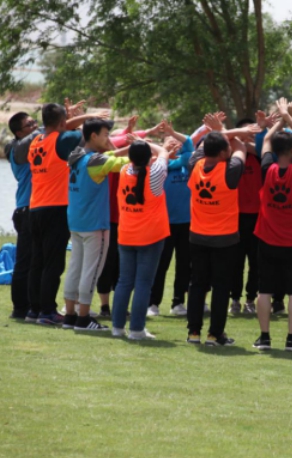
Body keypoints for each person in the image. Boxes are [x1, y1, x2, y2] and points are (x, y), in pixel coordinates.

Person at [26, 103, 105, 326]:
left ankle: (34, 309)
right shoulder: (63, 140)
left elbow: (60, 127)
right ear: (62, 122)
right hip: (55, 208)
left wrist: (76, 117)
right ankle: (47, 311)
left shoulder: (37, 140)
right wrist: (89, 116)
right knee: (53, 264)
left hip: (35, 207)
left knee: (37, 262)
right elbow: (86, 136)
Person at [186, 123, 259, 346]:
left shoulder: (194, 164)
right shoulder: (231, 170)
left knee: (197, 285)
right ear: (222, 153)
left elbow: (205, 144)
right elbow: (241, 148)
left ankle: (193, 333)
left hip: (197, 236)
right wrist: (238, 133)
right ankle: (215, 335)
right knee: (221, 287)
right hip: (224, 239)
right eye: (226, 148)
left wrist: (222, 131)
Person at [252, 99, 292, 352]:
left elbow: (266, 139)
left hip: (267, 239)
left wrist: (278, 121)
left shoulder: (267, 168)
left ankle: (264, 337)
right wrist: (288, 116)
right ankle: (291, 340)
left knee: (264, 290)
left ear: (275, 151)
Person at [62, 118, 131, 331]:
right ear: (93, 136)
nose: (108, 138)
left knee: (75, 268)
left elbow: (108, 157)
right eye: (105, 135)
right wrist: (152, 153)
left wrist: (121, 148)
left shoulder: (76, 155)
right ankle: (84, 319)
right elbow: (125, 163)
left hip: (76, 222)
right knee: (91, 272)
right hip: (94, 225)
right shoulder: (96, 161)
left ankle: (70, 315)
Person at [146, 121, 212, 317]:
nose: (175, 145)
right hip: (164, 224)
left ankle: (178, 303)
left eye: (177, 143)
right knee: (161, 265)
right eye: (170, 142)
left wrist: (173, 132)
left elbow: (190, 145)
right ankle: (152, 303)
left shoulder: (187, 164)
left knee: (184, 265)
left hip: (187, 223)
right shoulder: (159, 166)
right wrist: (164, 149)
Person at [111, 140, 171, 340]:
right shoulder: (155, 174)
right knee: (143, 284)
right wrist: (148, 142)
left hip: (126, 235)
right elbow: (163, 152)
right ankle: (137, 330)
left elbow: (150, 160)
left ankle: (117, 327)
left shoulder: (124, 171)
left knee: (124, 282)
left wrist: (142, 145)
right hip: (150, 237)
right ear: (148, 158)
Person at [5, 112, 38, 321]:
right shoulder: (19, 150)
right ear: (19, 133)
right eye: (30, 124)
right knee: (25, 262)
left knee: (34, 261)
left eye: (35, 121)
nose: (35, 126)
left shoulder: (30, 146)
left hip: (30, 209)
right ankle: (20, 309)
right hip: (26, 209)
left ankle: (33, 306)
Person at [229, 117, 263, 316]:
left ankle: (250, 299)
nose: (247, 136)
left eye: (251, 133)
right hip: (236, 216)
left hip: (258, 216)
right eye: (244, 132)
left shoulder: (260, 155)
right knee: (236, 262)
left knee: (255, 262)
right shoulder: (232, 156)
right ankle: (234, 299)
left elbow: (261, 150)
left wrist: (245, 139)